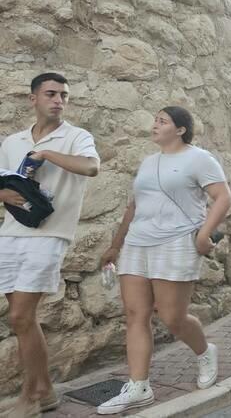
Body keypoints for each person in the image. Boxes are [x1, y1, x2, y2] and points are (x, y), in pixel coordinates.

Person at [97, 107, 231, 414]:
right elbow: (134, 207)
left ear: (181, 129)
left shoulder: (199, 159)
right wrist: (115, 245)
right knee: (135, 314)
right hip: (137, 243)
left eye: (162, 121)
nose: (154, 125)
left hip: (177, 242)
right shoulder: (148, 162)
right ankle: (139, 386)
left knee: (172, 318)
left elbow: (223, 198)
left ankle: (204, 351)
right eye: (155, 120)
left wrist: (203, 236)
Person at [0, 73, 99, 417]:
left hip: (49, 236)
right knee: (24, 320)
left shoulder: (76, 137)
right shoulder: (12, 140)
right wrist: (8, 193)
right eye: (51, 94)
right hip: (11, 234)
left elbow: (91, 167)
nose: (58, 100)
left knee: (20, 314)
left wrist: (47, 154)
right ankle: (47, 392)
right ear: (33, 99)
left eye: (64, 95)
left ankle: (29, 399)